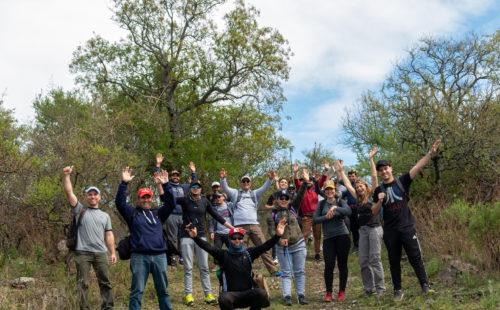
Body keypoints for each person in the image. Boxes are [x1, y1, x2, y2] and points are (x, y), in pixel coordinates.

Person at [372, 140, 441, 301]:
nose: (383, 172)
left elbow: (417, 167)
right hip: (390, 231)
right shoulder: (378, 190)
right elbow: (374, 212)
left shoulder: (402, 181)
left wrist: (430, 152)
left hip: (407, 227)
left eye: (385, 169)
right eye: (380, 170)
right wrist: (379, 201)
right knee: (394, 261)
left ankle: (425, 285)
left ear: (391, 169)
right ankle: (398, 290)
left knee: (415, 257)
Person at [185, 219, 289, 310]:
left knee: (261, 294)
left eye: (240, 238)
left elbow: (265, 246)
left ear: (243, 239)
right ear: (229, 240)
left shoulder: (249, 253)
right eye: (234, 238)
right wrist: (195, 238)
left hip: (248, 294)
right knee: (222, 298)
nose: (237, 240)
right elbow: (208, 247)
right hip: (231, 297)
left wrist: (278, 235)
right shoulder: (223, 254)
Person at [164, 179, 234, 306]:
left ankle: (208, 295)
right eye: (193, 186)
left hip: (201, 237)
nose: (196, 188)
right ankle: (189, 295)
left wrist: (232, 228)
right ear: (190, 189)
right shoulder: (184, 200)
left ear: (201, 189)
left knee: (204, 267)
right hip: (186, 236)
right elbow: (166, 199)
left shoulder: (205, 201)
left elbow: (217, 216)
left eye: (198, 186)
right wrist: (160, 184)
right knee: (188, 268)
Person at [115, 167, 175, 310]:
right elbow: (120, 204)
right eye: (143, 197)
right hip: (139, 257)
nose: (146, 200)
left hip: (159, 256)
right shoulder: (133, 213)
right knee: (137, 292)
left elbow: (171, 203)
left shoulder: (159, 213)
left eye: (148, 197)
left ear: (152, 198)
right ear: (139, 199)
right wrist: (124, 183)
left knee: (163, 291)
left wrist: (166, 185)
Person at [62, 166, 115, 310]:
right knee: (82, 283)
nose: (92, 196)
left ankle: (107, 307)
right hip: (82, 253)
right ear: (86, 197)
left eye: (95, 194)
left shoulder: (105, 216)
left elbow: (109, 234)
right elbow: (69, 193)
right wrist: (67, 176)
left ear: (99, 197)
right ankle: (84, 308)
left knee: (105, 283)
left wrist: (113, 252)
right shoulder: (80, 210)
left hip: (101, 253)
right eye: (90, 194)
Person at [337, 148, 386, 298]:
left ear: (366, 187)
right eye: (357, 187)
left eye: (361, 186)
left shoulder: (373, 195)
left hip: (375, 229)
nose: (358, 188)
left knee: (375, 259)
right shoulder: (357, 198)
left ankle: (381, 290)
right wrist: (341, 170)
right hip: (363, 230)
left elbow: (374, 176)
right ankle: (368, 289)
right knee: (363, 260)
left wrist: (371, 159)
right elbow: (346, 183)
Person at [220, 168, 279, 276]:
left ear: (250, 183)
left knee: (264, 247)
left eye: (247, 181)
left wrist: (270, 179)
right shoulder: (235, 193)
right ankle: (242, 272)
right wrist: (223, 179)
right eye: (244, 181)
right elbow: (226, 188)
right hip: (240, 226)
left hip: (254, 225)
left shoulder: (254, 194)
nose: (246, 183)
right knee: (241, 251)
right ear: (241, 183)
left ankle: (273, 271)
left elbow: (264, 188)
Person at [270, 170, 308, 306]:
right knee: (286, 273)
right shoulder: (273, 214)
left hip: (298, 244)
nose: (284, 200)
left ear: (289, 199)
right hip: (282, 248)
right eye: (281, 198)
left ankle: (301, 295)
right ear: (277, 199)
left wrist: (304, 182)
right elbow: (270, 231)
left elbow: (301, 195)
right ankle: (287, 296)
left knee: (299, 271)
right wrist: (279, 240)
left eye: (286, 198)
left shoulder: (293, 207)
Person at [154, 153, 197, 266]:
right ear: (170, 177)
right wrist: (158, 164)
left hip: (182, 215)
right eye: (173, 175)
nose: (175, 176)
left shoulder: (183, 187)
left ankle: (182, 258)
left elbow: (194, 184)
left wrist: (193, 172)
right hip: (171, 215)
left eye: (177, 175)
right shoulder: (167, 186)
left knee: (182, 237)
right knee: (171, 238)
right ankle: (171, 257)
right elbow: (157, 177)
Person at [313, 179, 351, 302]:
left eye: (331, 189)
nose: (329, 191)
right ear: (324, 191)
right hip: (328, 238)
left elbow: (348, 212)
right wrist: (326, 217)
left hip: (342, 236)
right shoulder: (321, 204)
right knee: (329, 264)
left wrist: (336, 208)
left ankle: (342, 291)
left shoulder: (340, 201)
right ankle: (328, 292)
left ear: (335, 190)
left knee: (342, 264)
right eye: (327, 189)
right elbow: (315, 219)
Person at [293, 162, 328, 261]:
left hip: (316, 216)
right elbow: (296, 182)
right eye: (307, 181)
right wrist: (296, 172)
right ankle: (301, 254)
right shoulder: (301, 189)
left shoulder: (315, 189)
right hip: (306, 217)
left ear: (313, 183)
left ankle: (317, 254)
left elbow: (322, 181)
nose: (309, 182)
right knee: (304, 236)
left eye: (311, 181)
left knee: (317, 236)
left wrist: (325, 170)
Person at [264, 175, 291, 264]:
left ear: (287, 185)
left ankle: (289, 255)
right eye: (281, 182)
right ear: (279, 184)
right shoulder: (273, 195)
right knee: (276, 236)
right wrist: (273, 206)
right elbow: (266, 206)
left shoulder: (290, 195)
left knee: (288, 235)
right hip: (275, 217)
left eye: (285, 182)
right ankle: (275, 257)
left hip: (288, 217)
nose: (283, 183)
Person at [209, 191, 235, 265]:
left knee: (233, 249)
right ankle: (217, 266)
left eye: (219, 196)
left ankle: (234, 263)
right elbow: (211, 221)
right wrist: (211, 232)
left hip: (229, 232)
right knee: (216, 250)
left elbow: (235, 216)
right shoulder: (213, 209)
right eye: (215, 197)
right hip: (218, 233)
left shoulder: (230, 206)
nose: (217, 199)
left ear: (223, 197)